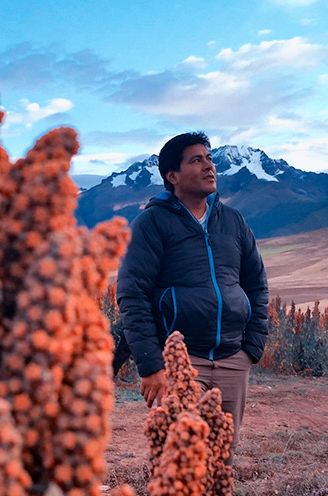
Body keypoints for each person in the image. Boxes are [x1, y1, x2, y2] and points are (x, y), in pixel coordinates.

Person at [115, 131, 268, 459]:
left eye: (209, 159)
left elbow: (256, 284)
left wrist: (251, 348)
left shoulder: (233, 221)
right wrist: (151, 364)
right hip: (180, 362)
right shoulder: (151, 223)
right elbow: (132, 294)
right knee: (183, 459)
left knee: (221, 462)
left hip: (232, 360)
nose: (208, 166)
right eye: (196, 160)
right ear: (172, 176)